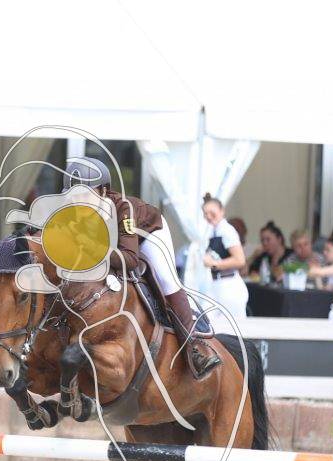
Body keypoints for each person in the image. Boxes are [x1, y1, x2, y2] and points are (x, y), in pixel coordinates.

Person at [63, 157, 220, 379]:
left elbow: (130, 259)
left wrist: (92, 248)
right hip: (116, 247)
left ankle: (194, 347)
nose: (79, 202)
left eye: (85, 195)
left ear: (103, 191)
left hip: (148, 236)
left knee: (167, 280)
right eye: (74, 196)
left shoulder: (123, 209)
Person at [200, 194, 249, 335]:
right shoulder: (212, 232)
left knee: (235, 330)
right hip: (216, 285)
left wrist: (214, 263)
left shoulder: (227, 231)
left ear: (222, 211)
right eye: (205, 214)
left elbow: (240, 260)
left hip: (229, 285)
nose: (209, 216)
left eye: (212, 212)